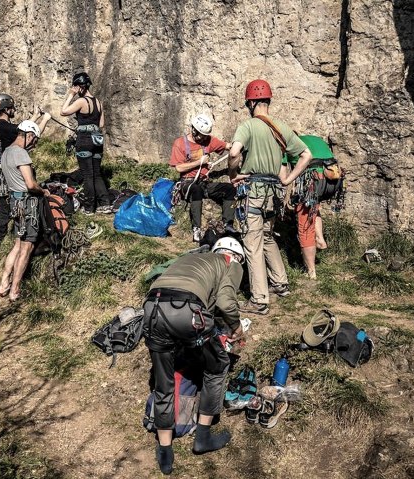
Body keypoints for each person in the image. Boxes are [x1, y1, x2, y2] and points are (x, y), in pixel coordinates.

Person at [142, 237, 246, 475]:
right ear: (235, 256)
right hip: (187, 310)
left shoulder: (191, 257)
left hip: (152, 308)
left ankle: (165, 452)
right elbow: (225, 301)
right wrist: (236, 327)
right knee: (218, 365)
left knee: (163, 381)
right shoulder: (231, 262)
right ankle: (203, 437)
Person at [229, 79, 312, 315]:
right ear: (267, 100)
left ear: (251, 102)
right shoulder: (282, 128)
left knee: (252, 242)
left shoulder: (248, 126)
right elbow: (306, 154)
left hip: (254, 191)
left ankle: (259, 299)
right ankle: (280, 282)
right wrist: (287, 180)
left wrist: (233, 173)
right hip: (274, 192)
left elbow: (234, 152)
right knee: (266, 236)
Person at [0, 119, 50, 302]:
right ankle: (15, 289)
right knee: (27, 247)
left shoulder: (6, 152)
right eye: (34, 140)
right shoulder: (20, 154)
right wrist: (43, 191)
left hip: (14, 201)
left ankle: (4, 283)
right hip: (28, 204)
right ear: (28, 135)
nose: (34, 145)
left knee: (17, 244)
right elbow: (30, 184)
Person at [0, 93, 45, 248]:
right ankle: (1, 239)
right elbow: (24, 131)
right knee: (5, 206)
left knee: (5, 205)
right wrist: (42, 119)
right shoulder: (3, 126)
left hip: (0, 170)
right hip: (6, 172)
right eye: (12, 108)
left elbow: (23, 129)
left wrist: (35, 116)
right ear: (6, 109)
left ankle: (1, 238)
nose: (14, 110)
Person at [170, 114, 235, 242]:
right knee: (196, 189)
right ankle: (197, 229)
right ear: (193, 130)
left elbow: (228, 146)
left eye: (205, 135)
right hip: (187, 183)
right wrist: (199, 162)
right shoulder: (180, 143)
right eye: (201, 135)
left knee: (230, 189)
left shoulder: (208, 140)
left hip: (204, 182)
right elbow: (179, 168)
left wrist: (239, 146)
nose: (203, 138)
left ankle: (227, 225)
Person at [60, 72, 110, 215]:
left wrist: (70, 95)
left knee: (87, 174)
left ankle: (89, 207)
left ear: (80, 87)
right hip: (97, 140)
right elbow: (101, 123)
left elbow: (63, 112)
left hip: (85, 140)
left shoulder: (81, 101)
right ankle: (105, 203)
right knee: (97, 173)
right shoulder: (98, 102)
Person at [284, 134, 331, 279]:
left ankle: (311, 271)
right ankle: (320, 239)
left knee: (305, 226)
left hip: (313, 180)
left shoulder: (287, 146)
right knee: (314, 208)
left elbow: (284, 175)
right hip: (332, 179)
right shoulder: (312, 139)